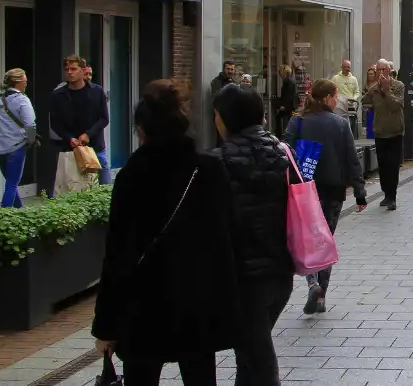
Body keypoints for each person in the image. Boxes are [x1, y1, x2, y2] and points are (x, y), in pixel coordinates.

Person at [92, 81, 242, 385]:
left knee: (140, 376)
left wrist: (106, 325)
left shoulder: (132, 175)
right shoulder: (208, 170)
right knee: (200, 376)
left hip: (143, 306)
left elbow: (118, 253)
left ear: (141, 129)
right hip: (198, 304)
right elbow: (228, 238)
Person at [212, 84, 293, 383]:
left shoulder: (215, 163)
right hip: (281, 274)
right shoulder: (285, 153)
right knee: (248, 357)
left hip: (242, 279)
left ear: (223, 118)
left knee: (257, 359)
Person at [284, 79, 367, 314]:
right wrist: (359, 192)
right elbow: (352, 159)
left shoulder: (297, 121)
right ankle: (321, 294)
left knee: (306, 240)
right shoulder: (340, 124)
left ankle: (312, 284)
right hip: (332, 191)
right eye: (336, 95)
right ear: (329, 97)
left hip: (303, 191)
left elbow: (285, 151)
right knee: (325, 241)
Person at [49, 55, 109, 191]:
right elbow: (55, 123)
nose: (69, 72)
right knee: (69, 188)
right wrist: (69, 138)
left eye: (73, 69)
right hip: (70, 149)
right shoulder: (58, 95)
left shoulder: (96, 91)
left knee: (102, 188)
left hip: (95, 147)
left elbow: (104, 118)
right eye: (67, 69)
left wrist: (88, 134)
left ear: (83, 70)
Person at [0, 69, 36, 208]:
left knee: (10, 181)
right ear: (18, 82)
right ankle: (4, 217)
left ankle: (20, 211)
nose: (26, 82)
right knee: (12, 183)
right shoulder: (22, 99)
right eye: (25, 80)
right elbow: (30, 124)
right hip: (16, 146)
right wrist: (31, 140)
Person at [364, 59, 404, 210]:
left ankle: (392, 197)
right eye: (378, 70)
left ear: (389, 71)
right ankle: (386, 193)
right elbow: (365, 102)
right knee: (383, 166)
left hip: (395, 131)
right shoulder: (374, 89)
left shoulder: (398, 86)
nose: (381, 73)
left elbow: (396, 106)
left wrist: (387, 91)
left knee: (393, 165)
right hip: (380, 132)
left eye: (384, 69)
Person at [275, 65, 297, 136]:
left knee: (285, 123)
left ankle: (283, 137)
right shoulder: (290, 81)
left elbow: (289, 95)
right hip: (290, 106)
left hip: (287, 107)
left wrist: (284, 106)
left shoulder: (287, 82)